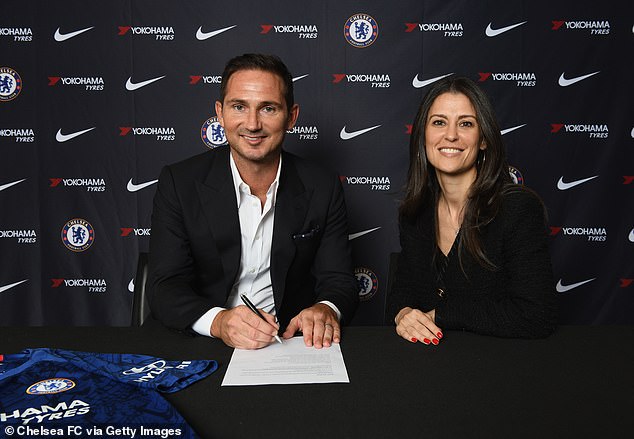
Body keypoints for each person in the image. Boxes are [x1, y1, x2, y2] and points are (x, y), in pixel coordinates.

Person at [147, 53, 358, 350]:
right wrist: (219, 322)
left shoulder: (322, 185)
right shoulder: (179, 182)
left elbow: (339, 280)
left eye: (268, 108)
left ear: (291, 117)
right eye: (239, 107)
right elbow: (164, 286)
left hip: (285, 344)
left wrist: (326, 308)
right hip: (201, 340)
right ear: (220, 113)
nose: (252, 123)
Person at [386, 76, 557, 344]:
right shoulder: (415, 213)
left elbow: (537, 315)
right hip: (429, 364)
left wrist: (443, 315)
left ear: (484, 139)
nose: (451, 135)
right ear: (423, 135)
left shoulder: (517, 209)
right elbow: (402, 292)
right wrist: (403, 314)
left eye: (465, 123)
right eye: (439, 122)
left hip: (499, 364)